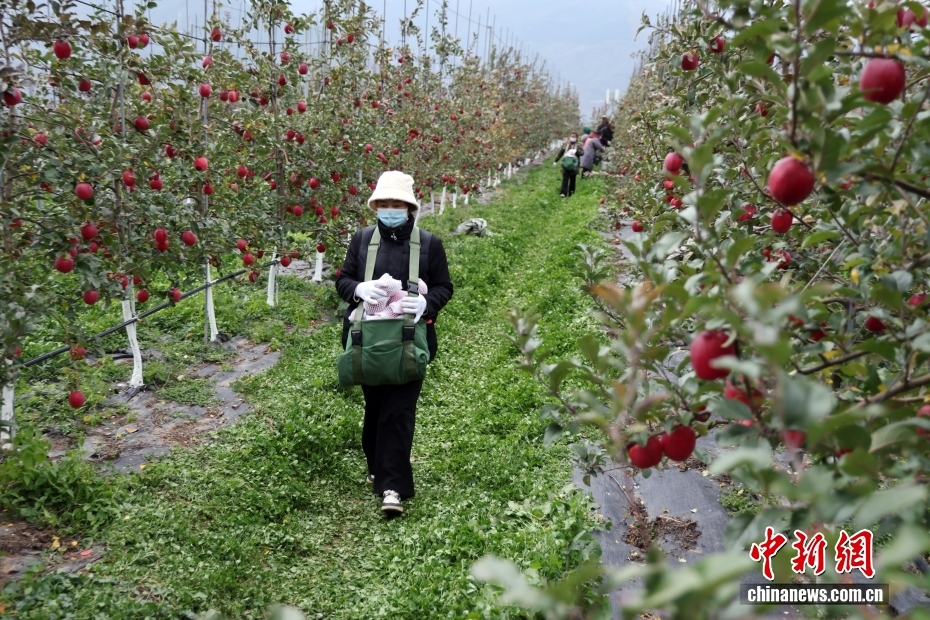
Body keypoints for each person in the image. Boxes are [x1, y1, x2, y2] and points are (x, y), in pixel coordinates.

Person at [335, 170, 454, 515]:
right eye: (383, 204)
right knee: (375, 409)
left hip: (408, 344)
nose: (389, 210)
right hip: (368, 343)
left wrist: (425, 304)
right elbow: (343, 281)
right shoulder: (362, 240)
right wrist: (359, 289)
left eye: (396, 204)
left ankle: (393, 486)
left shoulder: (429, 244)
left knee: (398, 412)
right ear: (376, 206)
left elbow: (445, 286)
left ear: (409, 207)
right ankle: (378, 467)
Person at [553, 132, 582, 197]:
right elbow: (560, 153)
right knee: (565, 178)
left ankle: (571, 192)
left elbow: (582, 153)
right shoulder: (565, 144)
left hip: (574, 165)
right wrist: (555, 161)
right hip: (565, 165)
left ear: (576, 138)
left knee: (573, 179)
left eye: (574, 137)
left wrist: (576, 151)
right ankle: (563, 193)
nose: (572, 138)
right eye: (571, 136)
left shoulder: (579, 145)